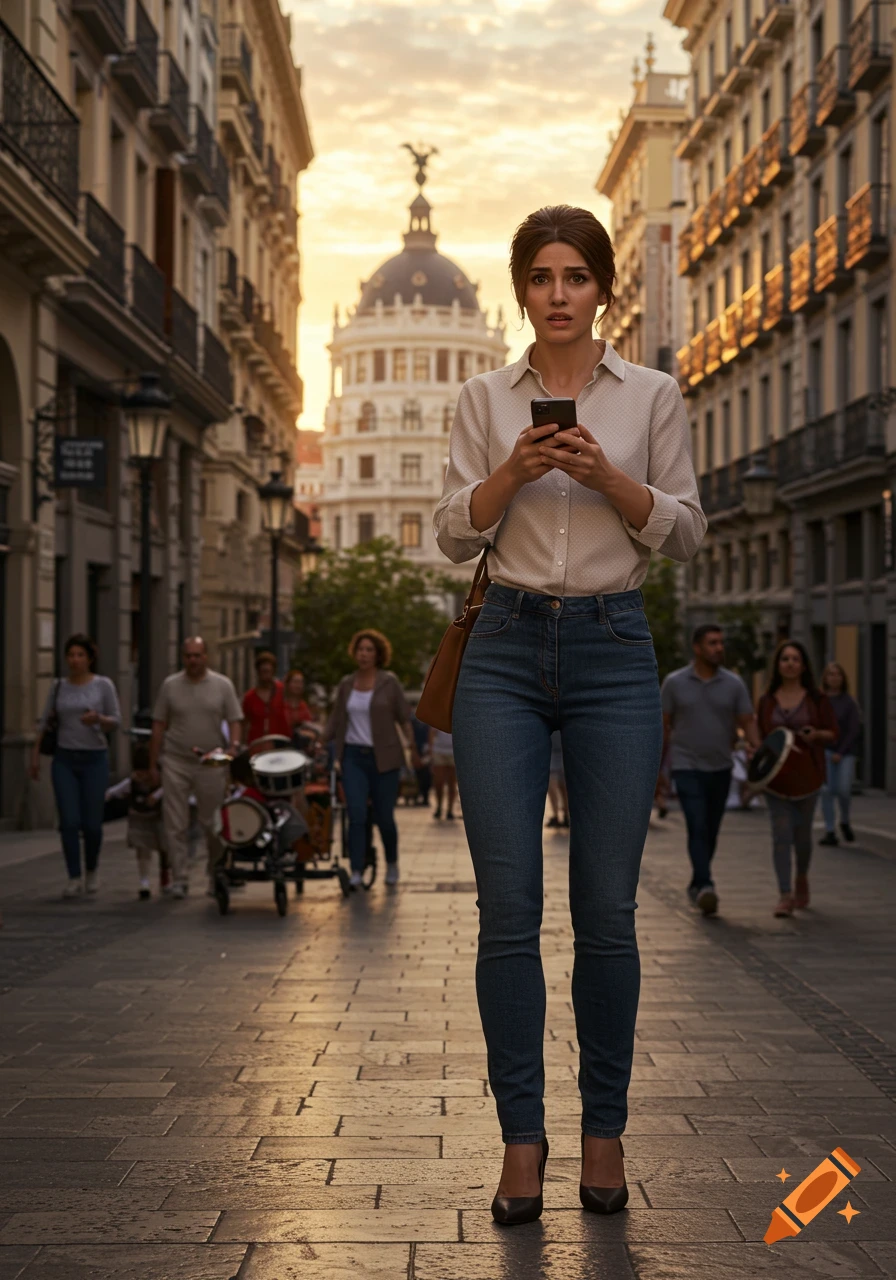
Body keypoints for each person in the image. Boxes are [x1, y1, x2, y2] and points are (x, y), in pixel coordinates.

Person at [433, 205, 705, 1224]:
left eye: (576, 276)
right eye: (542, 277)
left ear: (602, 289)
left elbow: (685, 529)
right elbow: (450, 534)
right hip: (503, 647)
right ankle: (520, 1140)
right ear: (522, 291)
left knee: (606, 913)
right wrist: (514, 470)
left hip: (612, 645)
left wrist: (608, 479)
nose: (559, 294)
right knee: (506, 910)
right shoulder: (481, 396)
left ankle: (603, 1132)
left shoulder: (652, 394)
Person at [661, 624, 760, 916]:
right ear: (697, 647)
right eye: (712, 643)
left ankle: (697, 882)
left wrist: (758, 751)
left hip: (721, 767)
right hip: (686, 765)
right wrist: (657, 771)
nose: (719, 648)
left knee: (711, 829)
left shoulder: (734, 684)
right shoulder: (674, 683)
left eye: (721, 643)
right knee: (697, 824)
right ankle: (706, 884)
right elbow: (663, 727)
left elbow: (747, 721)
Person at [149, 637, 243, 898]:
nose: (193, 660)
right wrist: (153, 763)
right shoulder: (170, 686)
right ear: (183, 658)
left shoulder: (222, 685)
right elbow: (158, 724)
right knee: (175, 823)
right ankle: (179, 877)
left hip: (211, 761)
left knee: (213, 823)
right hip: (175, 760)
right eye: (188, 656)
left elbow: (235, 719)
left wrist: (233, 747)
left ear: (206, 657)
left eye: (197, 655)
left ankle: (215, 873)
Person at [325, 629, 419, 889]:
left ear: (378, 655)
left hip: (385, 759)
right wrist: (320, 740)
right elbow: (335, 719)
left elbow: (403, 718)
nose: (364, 654)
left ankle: (392, 862)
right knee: (356, 815)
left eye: (369, 650)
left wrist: (412, 748)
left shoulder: (389, 682)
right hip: (353, 757)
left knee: (384, 817)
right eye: (360, 649)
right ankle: (356, 869)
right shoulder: (346, 684)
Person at [30, 634, 121, 899]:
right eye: (71, 655)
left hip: (94, 759)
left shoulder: (103, 685)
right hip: (65, 759)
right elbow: (45, 722)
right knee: (69, 821)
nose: (75, 660)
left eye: (80, 655)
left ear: (90, 658)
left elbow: (116, 720)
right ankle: (73, 876)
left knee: (92, 824)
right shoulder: (58, 686)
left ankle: (91, 869)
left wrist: (98, 718)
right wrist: (35, 756)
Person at [757, 641, 838, 918]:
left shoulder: (817, 699)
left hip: (808, 778)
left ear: (803, 666)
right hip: (776, 780)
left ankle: (801, 876)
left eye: (795, 659)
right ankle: (784, 894)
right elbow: (761, 738)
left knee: (802, 836)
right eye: (785, 659)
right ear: (778, 665)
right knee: (781, 834)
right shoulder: (767, 700)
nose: (790, 663)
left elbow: (833, 733)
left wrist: (816, 735)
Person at [105, 744, 168, 900]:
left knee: (165, 848)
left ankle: (165, 874)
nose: (142, 777)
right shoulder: (132, 782)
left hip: (159, 818)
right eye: (139, 773)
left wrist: (157, 796)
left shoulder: (162, 781)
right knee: (142, 849)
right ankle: (144, 881)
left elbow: (170, 788)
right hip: (140, 819)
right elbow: (114, 791)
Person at [818, 662, 861, 846]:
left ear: (843, 678)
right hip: (825, 751)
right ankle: (830, 831)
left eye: (838, 674)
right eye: (831, 674)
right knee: (826, 791)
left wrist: (841, 752)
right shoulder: (820, 701)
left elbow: (853, 730)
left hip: (845, 753)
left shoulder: (849, 702)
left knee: (843, 789)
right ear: (825, 678)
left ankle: (844, 820)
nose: (834, 678)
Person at [242, 651, 290, 745]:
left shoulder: (283, 691)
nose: (266, 676)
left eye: (268, 671)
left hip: (281, 743)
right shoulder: (249, 697)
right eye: (263, 671)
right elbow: (244, 724)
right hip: (257, 744)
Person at [429, 727, 457, 820]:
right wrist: (431, 750)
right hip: (439, 751)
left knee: (452, 783)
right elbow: (432, 732)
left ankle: (450, 810)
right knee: (439, 781)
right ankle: (439, 806)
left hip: (454, 751)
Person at [282, 669, 314, 738]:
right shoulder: (281, 705)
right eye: (295, 682)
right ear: (287, 684)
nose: (298, 685)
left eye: (300, 682)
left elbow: (309, 726)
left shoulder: (303, 706)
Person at [546, 730, 568, 828]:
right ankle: (557, 815)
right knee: (555, 791)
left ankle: (564, 816)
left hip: (562, 757)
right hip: (553, 758)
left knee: (563, 791)